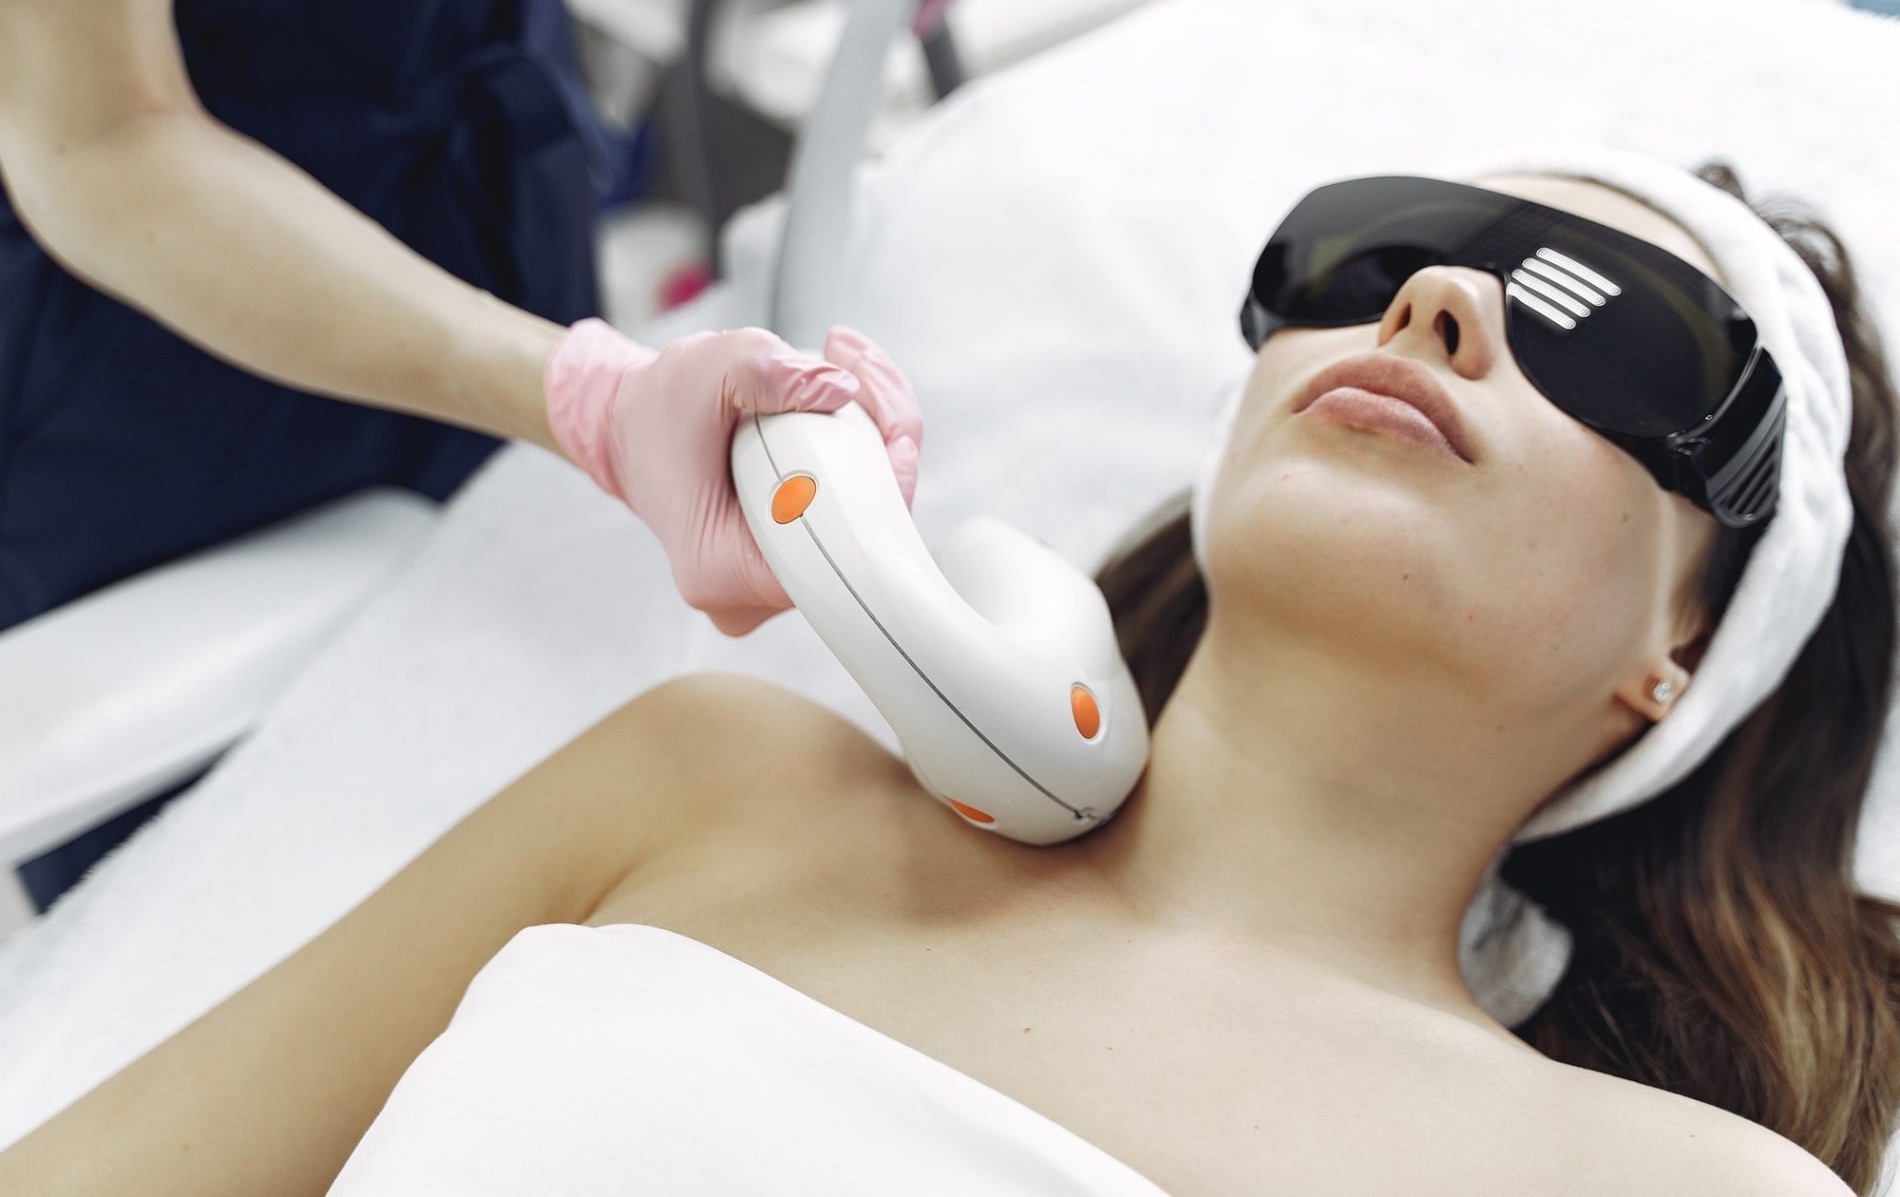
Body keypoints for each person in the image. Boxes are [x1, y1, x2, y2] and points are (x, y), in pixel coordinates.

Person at [0, 164, 1891, 1195]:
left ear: (1690, 656)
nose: (1431, 305)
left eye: (1604, 328)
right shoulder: (715, 785)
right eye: (1370, 249)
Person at [0, 0, 924, 900]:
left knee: (552, 765)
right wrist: (585, 399)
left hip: (480, 176)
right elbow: (97, 139)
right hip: (170, 353)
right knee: (262, 899)